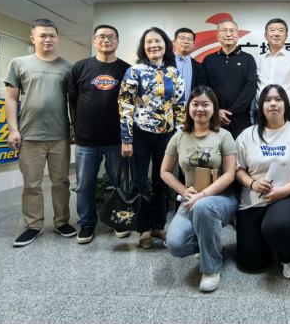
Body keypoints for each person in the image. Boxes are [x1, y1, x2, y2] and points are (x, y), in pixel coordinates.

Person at [4, 19, 76, 247]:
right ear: (33, 38)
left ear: (57, 38)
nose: (48, 39)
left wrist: (74, 126)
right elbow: (11, 98)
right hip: (29, 134)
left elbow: (73, 101)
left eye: (52, 35)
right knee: (31, 184)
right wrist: (13, 129)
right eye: (43, 35)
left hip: (60, 134)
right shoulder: (19, 63)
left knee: (61, 182)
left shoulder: (69, 67)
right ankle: (33, 225)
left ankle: (62, 222)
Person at [236, 84, 290, 279]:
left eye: (278, 99)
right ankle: (267, 238)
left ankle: (288, 257)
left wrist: (284, 191)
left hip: (289, 195)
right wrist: (252, 183)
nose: (273, 104)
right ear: (261, 106)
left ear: (286, 105)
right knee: (251, 263)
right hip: (253, 199)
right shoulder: (247, 135)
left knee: (280, 226)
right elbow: (237, 168)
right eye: (267, 100)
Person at [163, 86, 238, 293]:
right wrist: (184, 191)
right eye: (195, 104)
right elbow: (165, 171)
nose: (200, 109)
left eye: (206, 104)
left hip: (223, 199)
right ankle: (208, 243)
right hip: (191, 199)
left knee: (204, 206)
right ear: (189, 107)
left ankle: (211, 269)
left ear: (214, 108)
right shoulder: (179, 137)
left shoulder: (224, 136)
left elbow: (230, 174)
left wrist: (204, 195)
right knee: (175, 245)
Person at [119, 27, 186, 249]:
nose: (153, 45)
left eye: (158, 41)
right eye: (148, 42)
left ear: (166, 45)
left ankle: (158, 225)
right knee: (139, 183)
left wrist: (180, 137)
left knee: (162, 182)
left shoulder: (174, 73)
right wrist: (126, 138)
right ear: (143, 47)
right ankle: (143, 229)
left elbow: (179, 107)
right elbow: (125, 105)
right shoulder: (134, 71)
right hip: (139, 135)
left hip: (166, 135)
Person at [68, 25, 131, 244]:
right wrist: (73, 125)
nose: (106, 40)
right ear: (94, 41)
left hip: (117, 139)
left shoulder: (126, 69)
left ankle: (118, 220)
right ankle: (87, 224)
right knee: (84, 185)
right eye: (101, 36)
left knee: (119, 183)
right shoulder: (81, 67)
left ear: (117, 42)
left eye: (111, 37)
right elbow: (72, 99)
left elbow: (131, 104)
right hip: (86, 139)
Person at [198, 19, 257, 140]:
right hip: (213, 117)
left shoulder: (248, 59)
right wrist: (216, 110)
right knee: (213, 149)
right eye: (224, 30)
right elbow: (202, 87)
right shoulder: (208, 59)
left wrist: (232, 113)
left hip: (240, 118)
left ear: (238, 35)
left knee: (239, 150)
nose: (228, 34)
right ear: (217, 36)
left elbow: (250, 88)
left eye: (232, 31)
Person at [255, 18, 290, 125]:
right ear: (266, 36)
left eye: (280, 30)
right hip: (262, 114)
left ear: (286, 36)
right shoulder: (258, 59)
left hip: (288, 114)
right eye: (272, 30)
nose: (276, 34)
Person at [173, 27, 200, 103]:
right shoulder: (165, 62)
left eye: (189, 39)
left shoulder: (198, 66)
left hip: (190, 108)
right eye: (182, 38)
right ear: (174, 42)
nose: (186, 42)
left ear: (193, 44)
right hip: (168, 108)